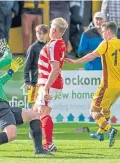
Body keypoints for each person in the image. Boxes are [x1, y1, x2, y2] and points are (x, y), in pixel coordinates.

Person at [65, 21, 120, 147]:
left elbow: (92, 56)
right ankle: (100, 132)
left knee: (93, 110)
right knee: (105, 109)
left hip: (108, 85)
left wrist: (75, 62)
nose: (102, 35)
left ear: (109, 32)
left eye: (103, 32)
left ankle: (110, 129)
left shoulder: (106, 43)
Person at [35, 18, 68, 151]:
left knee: (43, 112)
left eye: (50, 27)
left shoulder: (52, 45)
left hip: (50, 84)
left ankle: (48, 143)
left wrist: (46, 87)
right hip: (50, 83)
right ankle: (42, 141)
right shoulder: (61, 43)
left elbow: (55, 68)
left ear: (54, 30)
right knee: (36, 112)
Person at [24, 24, 49, 106]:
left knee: (46, 107)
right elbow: (26, 66)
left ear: (47, 34)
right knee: (34, 108)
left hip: (47, 83)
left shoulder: (49, 47)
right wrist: (27, 82)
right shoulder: (33, 48)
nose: (41, 36)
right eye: (39, 34)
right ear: (36, 34)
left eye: (43, 34)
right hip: (35, 83)